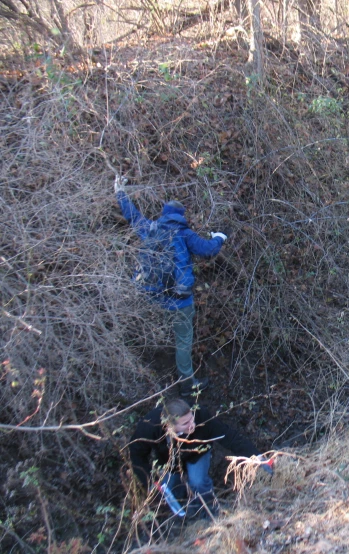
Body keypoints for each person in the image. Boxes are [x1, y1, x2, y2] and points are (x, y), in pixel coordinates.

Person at [114, 175, 228, 395]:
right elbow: (208, 250)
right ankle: (187, 384)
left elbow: (132, 215)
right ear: (182, 216)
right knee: (183, 341)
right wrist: (220, 237)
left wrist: (120, 193)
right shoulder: (185, 234)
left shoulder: (150, 228)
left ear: (164, 214)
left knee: (144, 335)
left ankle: (138, 382)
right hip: (179, 301)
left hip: (152, 297)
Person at [128, 397, 273, 519]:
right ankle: (184, 514)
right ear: (169, 425)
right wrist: (150, 482)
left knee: (198, 482)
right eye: (185, 424)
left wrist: (257, 457)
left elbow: (229, 437)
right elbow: (136, 454)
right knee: (170, 491)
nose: (193, 425)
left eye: (191, 419)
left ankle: (208, 510)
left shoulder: (201, 415)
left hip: (197, 454)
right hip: (168, 460)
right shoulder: (149, 427)